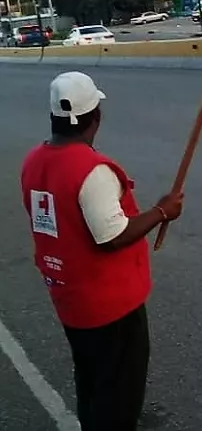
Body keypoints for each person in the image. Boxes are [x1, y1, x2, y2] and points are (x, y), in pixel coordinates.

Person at [19, 71, 184, 430]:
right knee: (119, 396)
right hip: (110, 306)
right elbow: (111, 235)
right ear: (96, 118)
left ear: (54, 118)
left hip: (69, 297)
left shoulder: (34, 160)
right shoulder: (90, 170)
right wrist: (161, 212)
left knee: (92, 378)